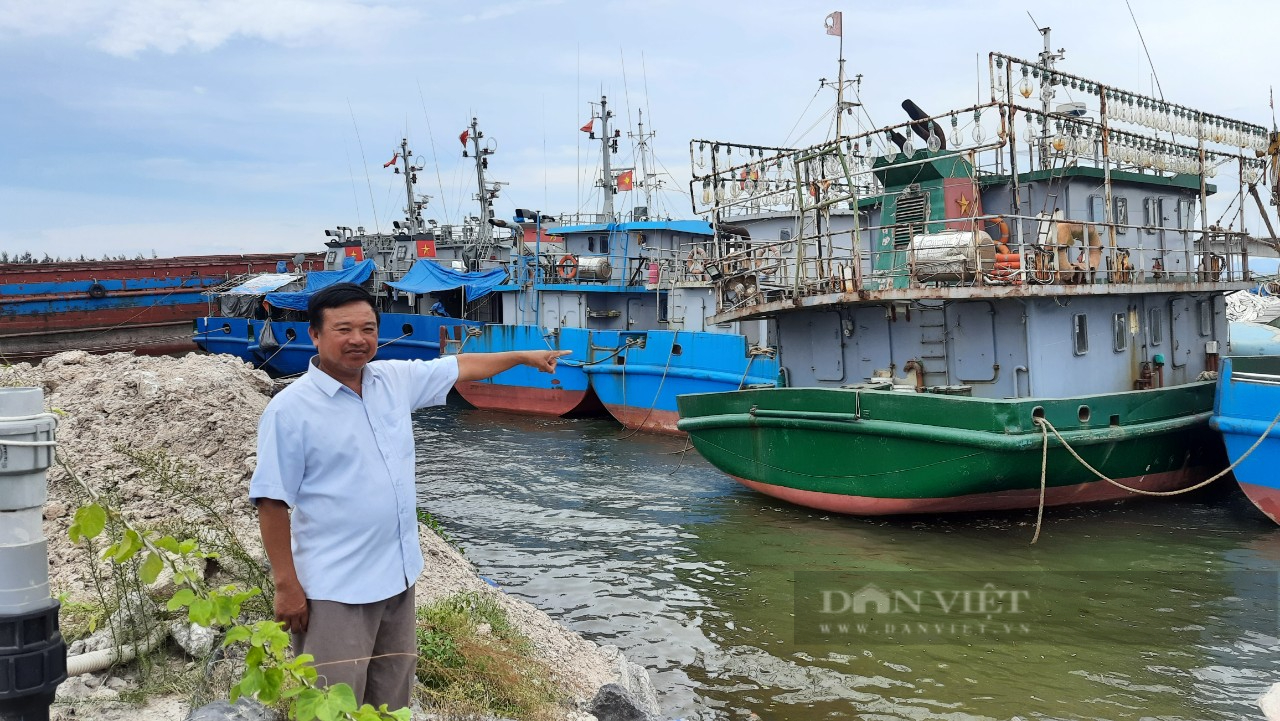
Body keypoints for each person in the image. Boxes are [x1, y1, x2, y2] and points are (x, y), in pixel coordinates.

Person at [248, 282, 569, 713]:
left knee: (390, 697)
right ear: (315, 335)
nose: (358, 340)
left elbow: (462, 366)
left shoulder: (392, 381)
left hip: (397, 579)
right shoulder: (291, 410)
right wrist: (286, 586)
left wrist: (523, 357)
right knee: (331, 703)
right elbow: (271, 501)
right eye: (344, 329)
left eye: (368, 328)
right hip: (335, 590)